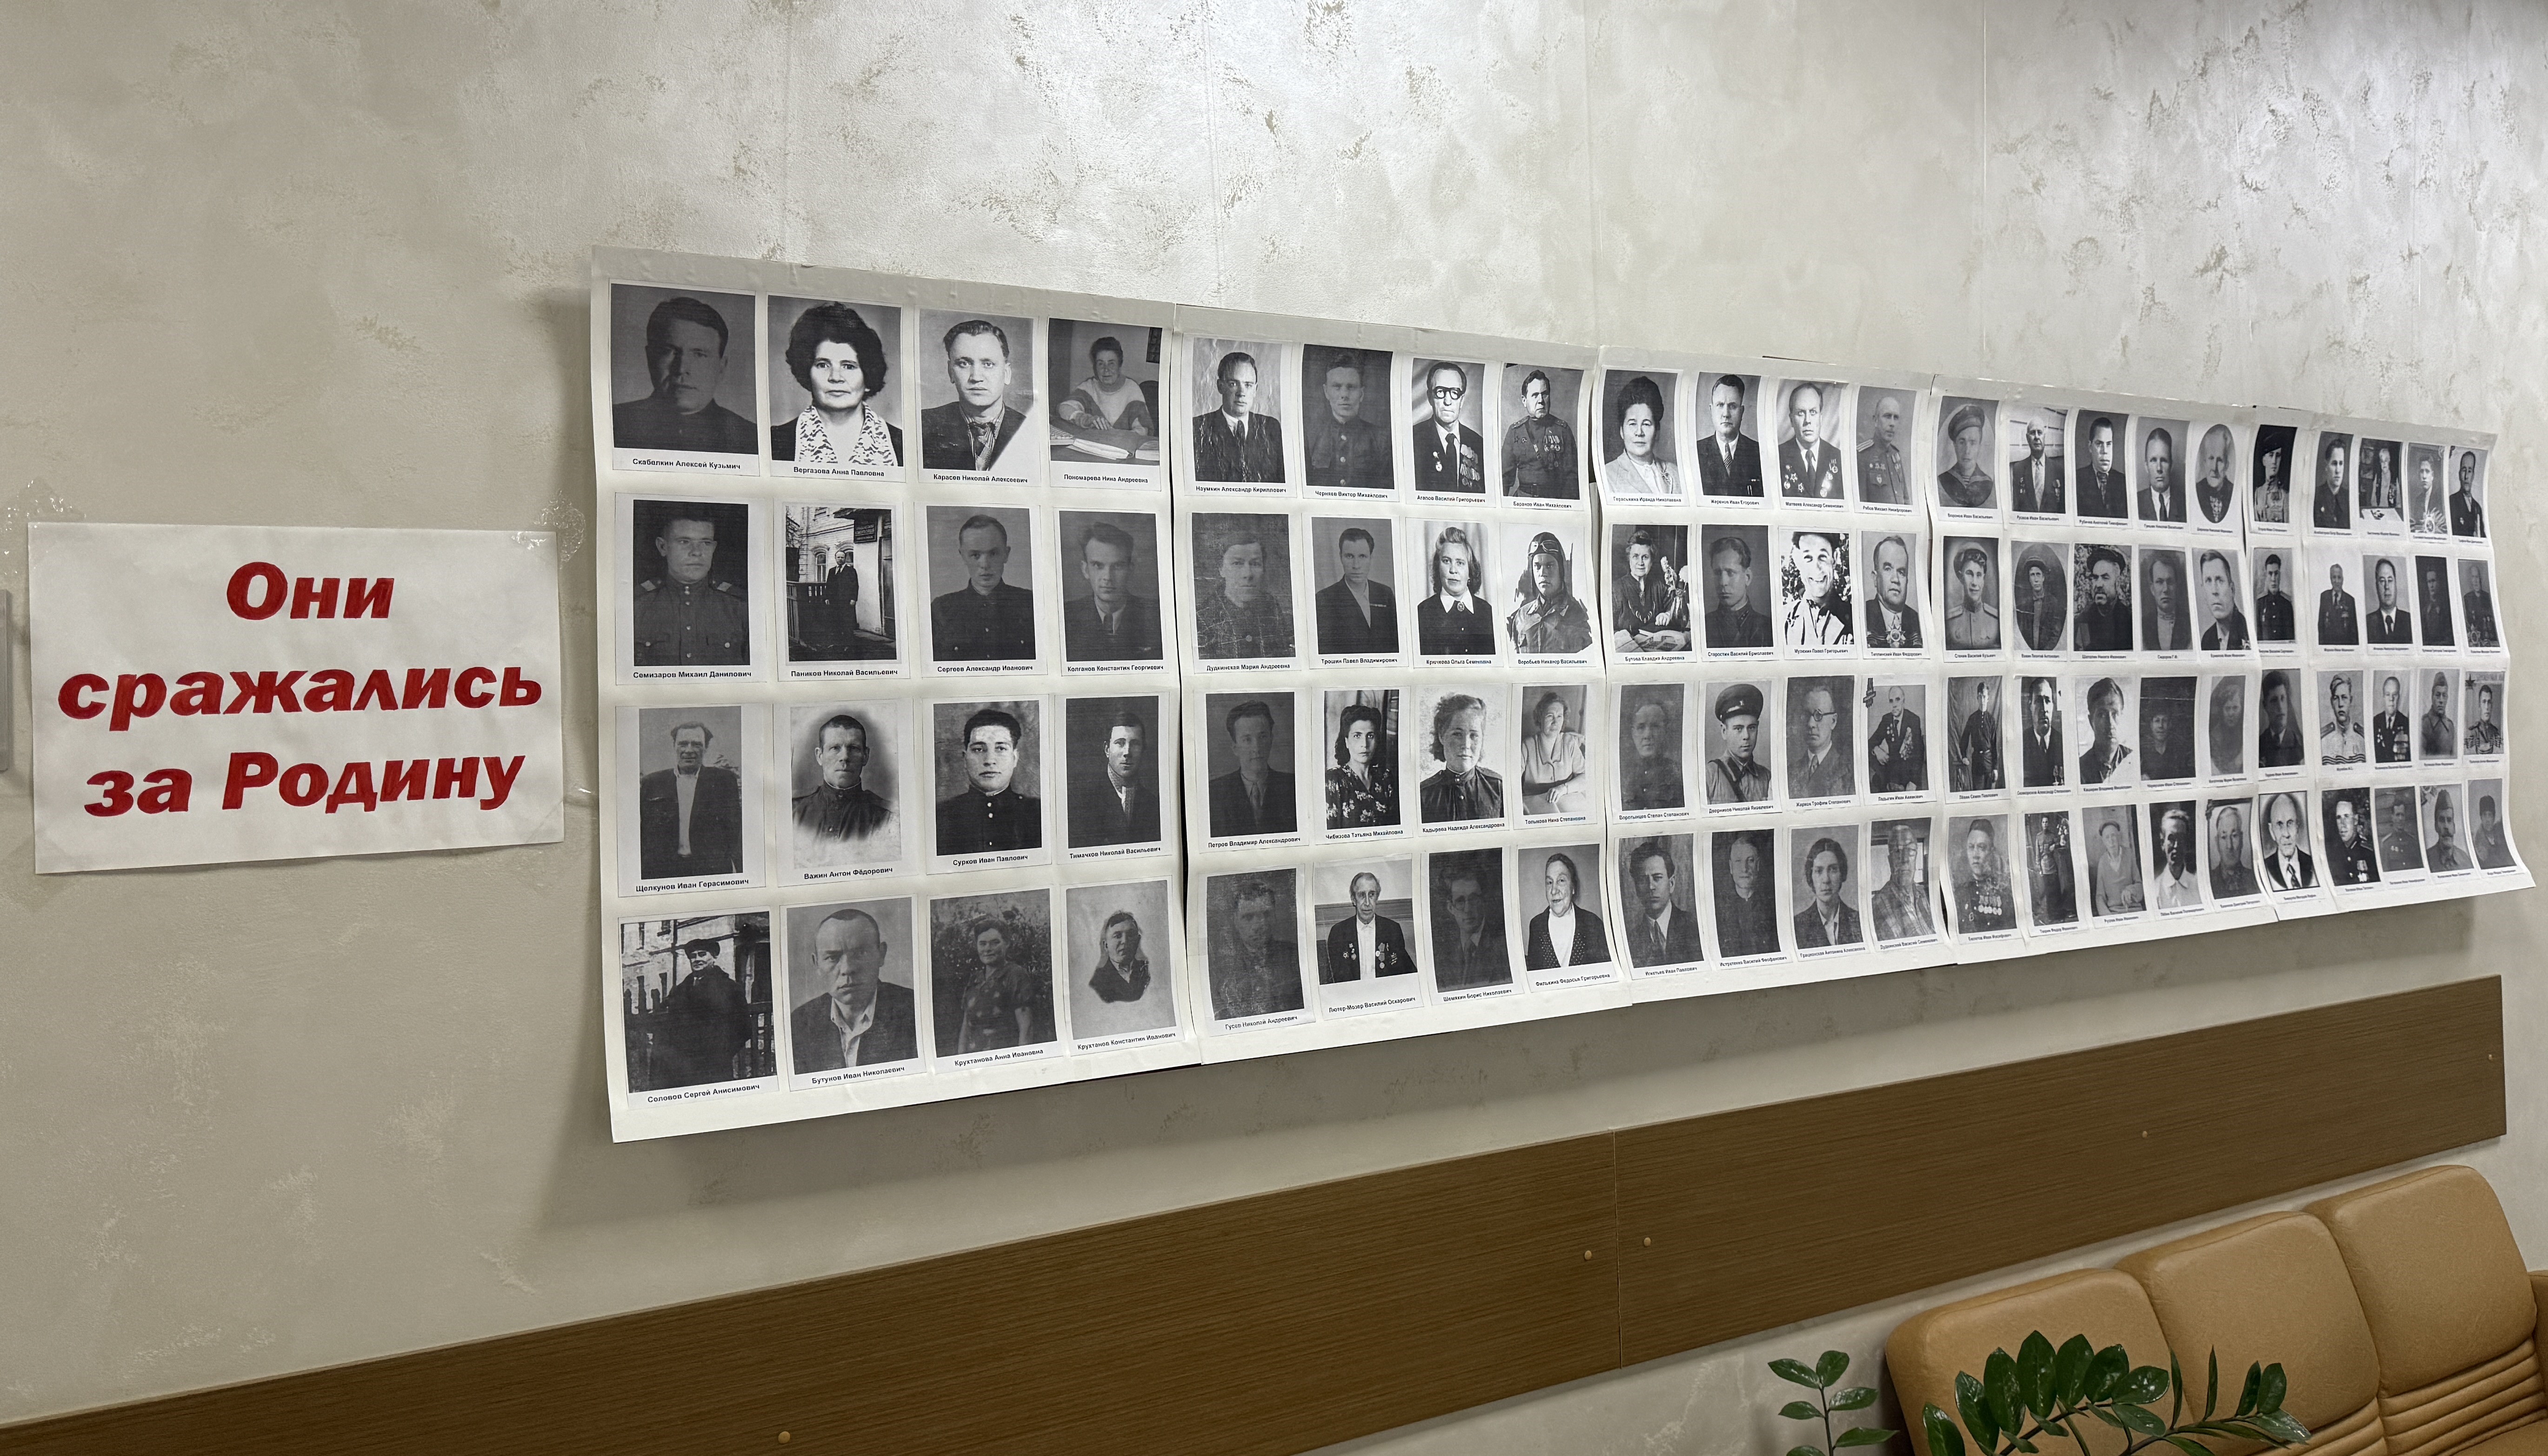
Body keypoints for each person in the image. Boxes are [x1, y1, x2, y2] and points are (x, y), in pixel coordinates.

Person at [614, 295, 757, 453]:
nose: (682, 369)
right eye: (670, 352)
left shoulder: (751, 439)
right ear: (650, 358)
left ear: (721, 367)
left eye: (699, 355)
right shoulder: (614, 422)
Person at [771, 302, 901, 466]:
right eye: (823, 365)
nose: (835, 377)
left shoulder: (902, 444)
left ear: (868, 377)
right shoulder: (774, 441)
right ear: (807, 373)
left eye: (849, 366)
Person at [791, 908, 918, 1072]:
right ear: (817, 964)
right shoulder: (800, 1024)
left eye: (861, 953)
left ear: (881, 955)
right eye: (832, 958)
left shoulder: (915, 1011)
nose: (847, 969)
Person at [633, 511, 749, 666]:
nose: (697, 552)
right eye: (684, 542)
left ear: (714, 548)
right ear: (663, 547)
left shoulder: (740, 607)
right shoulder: (636, 605)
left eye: (706, 543)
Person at [919, 319, 1029, 472]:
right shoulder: (921, 426)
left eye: (988, 364)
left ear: (1006, 373)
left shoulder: (1030, 430)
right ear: (951, 372)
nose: (976, 377)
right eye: (964, 364)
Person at [639, 720, 742, 879]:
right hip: (664, 872)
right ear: (674, 746)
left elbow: (736, 832)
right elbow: (643, 833)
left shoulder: (724, 781)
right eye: (683, 744)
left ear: (706, 748)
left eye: (697, 745)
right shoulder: (652, 783)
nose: (689, 750)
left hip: (711, 873)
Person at [929, 513, 1036, 662]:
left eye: (993, 553)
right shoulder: (941, 609)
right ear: (963, 556)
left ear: (1006, 554)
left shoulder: (1031, 604)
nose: (985, 565)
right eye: (975, 555)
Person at [939, 916, 1054, 1054]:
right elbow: (966, 1027)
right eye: (983, 944)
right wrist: (961, 1059)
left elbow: (1026, 1028)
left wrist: (1022, 1060)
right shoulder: (975, 980)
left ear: (1007, 943)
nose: (988, 949)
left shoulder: (1015, 975)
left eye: (995, 943)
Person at [935, 706, 1041, 854]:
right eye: (979, 749)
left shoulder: (1038, 813)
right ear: (965, 758)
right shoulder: (940, 816)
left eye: (1001, 749)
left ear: (1015, 758)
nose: (990, 760)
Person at [651, 939, 752, 1086]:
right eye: (693, 956)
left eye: (702, 954)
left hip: (714, 1068)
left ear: (714, 957)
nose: (697, 959)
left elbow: (744, 1028)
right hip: (682, 1070)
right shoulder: (680, 990)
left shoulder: (730, 988)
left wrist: (722, 1054)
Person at [793, 713, 892, 860]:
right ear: (820, 756)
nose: (845, 757)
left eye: (853, 748)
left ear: (865, 756)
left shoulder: (887, 818)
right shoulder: (794, 811)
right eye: (835, 748)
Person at [1062, 520, 1163, 662]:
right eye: (1098, 566)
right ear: (1085, 570)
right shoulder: (1065, 617)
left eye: (1118, 566)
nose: (1108, 578)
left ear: (1130, 569)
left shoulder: (1157, 615)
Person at [1194, 522, 1296, 660]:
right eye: (1237, 563)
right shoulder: (1202, 617)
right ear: (1221, 569)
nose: (1248, 574)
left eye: (1255, 564)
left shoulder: (1272, 606)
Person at [1051, 334, 1156, 463]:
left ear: (1120, 365)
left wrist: (1115, 436)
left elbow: (1144, 431)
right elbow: (1064, 408)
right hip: (1093, 455)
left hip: (1123, 458)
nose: (1106, 370)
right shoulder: (1089, 387)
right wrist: (1086, 419)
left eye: (1111, 364)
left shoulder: (1132, 390)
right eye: (1101, 364)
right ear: (1095, 367)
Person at [1067, 705, 1158, 848]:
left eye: (1135, 744)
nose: (1127, 752)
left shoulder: (1153, 804)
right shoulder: (1081, 801)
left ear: (1143, 750)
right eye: (1120, 744)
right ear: (1107, 750)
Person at [1210, 879, 1303, 1018]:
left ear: (1275, 916)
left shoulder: (1296, 957)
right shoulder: (1221, 969)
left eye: (1266, 914)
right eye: (1248, 917)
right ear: (1235, 921)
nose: (1259, 925)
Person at [1071, 909, 1171, 1039]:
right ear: (1106, 945)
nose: (1125, 941)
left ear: (1138, 940)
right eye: (1118, 936)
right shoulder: (1097, 983)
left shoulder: (1149, 973)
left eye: (1130, 935)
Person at [1303, 350, 1391, 493]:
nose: (1344, 395)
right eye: (1337, 387)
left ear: (1361, 394)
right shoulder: (1311, 437)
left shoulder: (1381, 439)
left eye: (1351, 387)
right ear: (1326, 392)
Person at [1192, 350, 1285, 482]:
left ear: (1255, 390)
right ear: (1220, 386)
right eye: (1233, 384)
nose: (1241, 393)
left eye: (1248, 385)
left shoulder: (1271, 427)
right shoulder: (1197, 427)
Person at [1209, 699, 1296, 838]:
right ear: (1235, 747)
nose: (1257, 748)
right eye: (1247, 740)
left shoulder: (1292, 786)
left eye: (1262, 737)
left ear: (1271, 740)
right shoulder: (1214, 793)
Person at [1421, 693, 1505, 823]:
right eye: (1457, 734)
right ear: (1442, 736)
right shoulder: (1423, 795)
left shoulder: (1498, 788)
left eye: (1474, 735)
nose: (1466, 745)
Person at [1314, 527, 1399, 655]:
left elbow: (1396, 644)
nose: (1356, 565)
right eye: (1349, 556)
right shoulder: (1324, 600)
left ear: (1371, 558)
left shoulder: (1385, 594)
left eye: (1362, 556)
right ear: (1341, 557)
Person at [1506, 531, 1594, 654]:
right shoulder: (1521, 616)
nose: (1543, 573)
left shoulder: (1580, 616)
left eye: (1549, 566)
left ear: (1560, 570)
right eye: (1537, 566)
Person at [1431, 859, 1511, 990]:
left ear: (1483, 901)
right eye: (1460, 901)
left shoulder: (1504, 947)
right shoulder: (1441, 952)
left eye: (1474, 899)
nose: (1468, 909)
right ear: (1451, 908)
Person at [1415, 525, 1495, 656]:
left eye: (1460, 563)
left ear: (1470, 570)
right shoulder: (1422, 613)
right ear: (1438, 567)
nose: (1453, 570)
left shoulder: (1488, 612)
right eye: (1447, 561)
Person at [1323, 871, 1413, 984]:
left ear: (1377, 898)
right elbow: (1332, 979)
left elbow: (1407, 973)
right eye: (1362, 895)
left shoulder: (1392, 929)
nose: (1367, 903)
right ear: (1354, 900)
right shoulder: (1338, 933)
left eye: (1372, 895)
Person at [1502, 368, 1580, 499]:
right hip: (1524, 501)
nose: (1541, 401)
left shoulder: (1563, 431)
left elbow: (1572, 479)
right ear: (1524, 401)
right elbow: (1504, 479)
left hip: (1555, 501)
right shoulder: (1515, 432)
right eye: (1535, 395)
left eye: (1545, 394)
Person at [1625, 840, 1704, 966]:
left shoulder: (1696, 927)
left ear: (1671, 884)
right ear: (1636, 888)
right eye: (1643, 880)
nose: (1651, 887)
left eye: (1657, 878)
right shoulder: (1631, 940)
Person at [1525, 854, 1610, 970]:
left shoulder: (1593, 923)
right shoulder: (1536, 926)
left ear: (1573, 887)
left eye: (1561, 881)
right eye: (1549, 882)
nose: (1554, 891)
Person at [1412, 360, 1486, 494]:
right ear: (1430, 398)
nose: (1448, 401)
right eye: (1440, 392)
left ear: (1462, 400)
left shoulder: (1479, 444)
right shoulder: (1413, 439)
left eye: (1455, 393)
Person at [1614, 528, 1693, 652]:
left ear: (1651, 561)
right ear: (1629, 559)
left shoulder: (1660, 586)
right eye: (1636, 557)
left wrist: (1667, 615)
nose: (1640, 563)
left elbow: (1673, 610)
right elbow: (1608, 631)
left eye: (1645, 557)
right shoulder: (1616, 589)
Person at [1324, 701, 1398, 829]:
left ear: (1377, 740)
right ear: (1347, 742)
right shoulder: (1334, 780)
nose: (1365, 744)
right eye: (1357, 736)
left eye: (1370, 736)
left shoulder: (1386, 778)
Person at [1605, 374, 1679, 498]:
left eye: (1646, 424)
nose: (1639, 432)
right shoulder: (1608, 475)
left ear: (1657, 431)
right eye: (1633, 424)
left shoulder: (1676, 474)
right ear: (1622, 431)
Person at [1521, 691, 1594, 816]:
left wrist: (1564, 788)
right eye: (1550, 716)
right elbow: (1512, 782)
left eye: (1560, 716)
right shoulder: (1527, 745)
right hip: (1535, 808)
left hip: (1567, 803)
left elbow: (1586, 776)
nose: (1556, 722)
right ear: (1540, 718)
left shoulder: (1569, 742)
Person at [1781, 529, 1852, 647]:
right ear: (1798, 561)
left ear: (1835, 558)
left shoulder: (1854, 617)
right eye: (1808, 558)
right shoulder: (1783, 618)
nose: (1816, 568)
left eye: (1823, 557)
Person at [1714, 832, 1781, 957]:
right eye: (1738, 861)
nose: (1744, 869)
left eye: (1750, 861)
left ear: (1758, 865)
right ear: (1731, 867)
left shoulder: (1773, 907)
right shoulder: (1718, 909)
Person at [1694, 374, 1761, 497]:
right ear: (1712, 410)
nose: (1726, 414)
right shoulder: (1695, 452)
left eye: (1732, 406)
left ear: (1742, 412)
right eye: (1720, 405)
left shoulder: (1759, 453)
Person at [1706, 684, 1774, 804]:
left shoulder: (1767, 777)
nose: (1746, 736)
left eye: (1752, 728)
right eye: (1738, 729)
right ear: (1724, 731)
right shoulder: (1709, 776)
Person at [1700, 534, 1769, 649]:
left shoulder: (1769, 628)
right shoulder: (1702, 624)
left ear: (1747, 577)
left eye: (1730, 573)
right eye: (1718, 573)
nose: (1723, 582)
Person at [1792, 837, 1863, 948]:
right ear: (1811, 876)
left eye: (1833, 870)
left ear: (1842, 874)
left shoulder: (1859, 921)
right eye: (1819, 871)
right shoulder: (1797, 926)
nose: (1826, 880)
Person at [1618, 692, 1684, 811]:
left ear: (1665, 732)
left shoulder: (1678, 775)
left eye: (1655, 727)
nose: (1648, 735)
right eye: (1641, 727)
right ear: (1633, 734)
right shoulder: (1621, 774)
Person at [1868, 827, 1935, 941]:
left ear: (1916, 857)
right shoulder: (1875, 907)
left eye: (1910, 850)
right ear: (1890, 861)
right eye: (1897, 851)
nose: (1905, 859)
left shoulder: (1926, 894)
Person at [1789, 681, 1852, 799]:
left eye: (1819, 715)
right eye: (1806, 715)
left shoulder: (1850, 772)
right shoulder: (1790, 772)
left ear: (1833, 721)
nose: (1811, 724)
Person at [1778, 382, 1843, 498]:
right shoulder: (1778, 457)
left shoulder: (1839, 458)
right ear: (1792, 420)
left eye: (1813, 412)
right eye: (1801, 413)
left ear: (1821, 418)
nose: (1808, 420)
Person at [1952, 820, 2017, 931]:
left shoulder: (2004, 894)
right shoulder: (1959, 894)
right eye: (1971, 847)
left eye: (1982, 848)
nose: (1975, 855)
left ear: (1991, 852)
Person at [1863, 535, 1923, 648]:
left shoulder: (1919, 622)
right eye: (1888, 569)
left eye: (1901, 572)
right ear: (1875, 578)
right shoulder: (1862, 615)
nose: (1896, 579)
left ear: (1907, 580)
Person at [1868, 685, 1927, 794]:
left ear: (1903, 701)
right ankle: (1884, 783)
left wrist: (1914, 782)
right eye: (1891, 701)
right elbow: (1871, 742)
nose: (1894, 705)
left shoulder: (1914, 720)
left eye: (1898, 700)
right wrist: (1876, 750)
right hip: (1892, 774)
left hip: (1908, 775)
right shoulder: (1886, 719)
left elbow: (1919, 753)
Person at [1857, 391, 1912, 505]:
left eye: (1896, 418)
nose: (1892, 423)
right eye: (1887, 417)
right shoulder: (1862, 456)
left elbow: (1906, 499)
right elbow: (1861, 504)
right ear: (1876, 421)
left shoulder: (1896, 455)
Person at [2075, 546, 2133, 652]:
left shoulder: (2130, 620)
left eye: (2105, 578)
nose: (2099, 584)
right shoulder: (2083, 621)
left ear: (2117, 583)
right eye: (2095, 578)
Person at [1936, 404, 1993, 508]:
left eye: (1973, 443)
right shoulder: (1943, 480)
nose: (1967, 451)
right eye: (1962, 442)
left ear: (1979, 446)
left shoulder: (1988, 484)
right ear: (1955, 445)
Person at [1945, 544, 2002, 650]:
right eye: (1970, 574)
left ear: (1984, 579)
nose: (1974, 583)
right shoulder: (1949, 621)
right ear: (1961, 577)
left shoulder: (1997, 620)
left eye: (1979, 575)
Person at [2079, 677, 2133, 785]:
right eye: (2102, 715)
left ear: (2122, 717)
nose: (2110, 724)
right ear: (2091, 721)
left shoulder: (2134, 761)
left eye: (2115, 714)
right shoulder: (2080, 769)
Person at [2088, 817, 2144, 915]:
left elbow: (2140, 886)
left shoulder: (2129, 855)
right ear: (2104, 841)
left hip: (2134, 909)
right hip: (2114, 912)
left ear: (2119, 837)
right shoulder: (2103, 862)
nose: (2111, 840)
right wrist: (2108, 917)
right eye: (2107, 837)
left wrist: (2130, 890)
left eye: (2113, 835)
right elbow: (2100, 897)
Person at [2026, 816, 2077, 924]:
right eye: (2043, 822)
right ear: (2041, 824)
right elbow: (2038, 854)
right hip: (2044, 866)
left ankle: (2058, 914)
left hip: (2053, 865)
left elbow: (2060, 844)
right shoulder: (2038, 837)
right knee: (2049, 893)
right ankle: (2051, 915)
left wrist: (2056, 845)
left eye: (2047, 822)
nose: (2045, 824)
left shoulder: (2052, 835)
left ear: (2049, 824)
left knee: (2056, 891)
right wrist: (2039, 867)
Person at [1955, 679, 2004, 791]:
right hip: (1977, 763)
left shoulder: (1991, 720)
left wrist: (1995, 768)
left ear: (1988, 699)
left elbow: (1995, 745)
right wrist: (1964, 756)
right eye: (1980, 697)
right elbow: (1964, 739)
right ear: (1977, 698)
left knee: (1990, 795)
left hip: (1989, 764)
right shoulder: (1972, 719)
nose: (1982, 700)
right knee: (1978, 793)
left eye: (1984, 697)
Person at [2261, 792, 2316, 891]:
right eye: (2280, 824)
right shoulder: (2264, 867)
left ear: (2297, 827)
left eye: (2290, 823)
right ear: (2271, 831)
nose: (2286, 834)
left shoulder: (2313, 863)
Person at [2151, 806, 2203, 908]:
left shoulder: (2199, 886)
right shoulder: (2155, 890)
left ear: (2187, 843)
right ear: (2163, 843)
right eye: (2171, 839)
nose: (2176, 846)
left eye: (2181, 839)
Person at [2076, 416, 2127, 519]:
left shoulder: (2124, 482)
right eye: (2099, 444)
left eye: (2109, 444)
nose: (2105, 451)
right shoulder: (2077, 479)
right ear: (2090, 447)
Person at [2197, 551, 2249, 650]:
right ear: (2204, 590)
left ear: (2232, 589)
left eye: (2220, 581)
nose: (2214, 591)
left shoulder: (2248, 631)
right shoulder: (2207, 640)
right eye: (2208, 581)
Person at [2020, 677, 2065, 788]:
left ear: (2053, 706)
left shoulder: (2064, 743)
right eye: (2039, 701)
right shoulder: (2020, 743)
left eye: (2048, 701)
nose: (2044, 709)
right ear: (2030, 706)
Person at [2209, 804, 2261, 898]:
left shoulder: (2255, 878)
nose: (2230, 846)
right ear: (2217, 843)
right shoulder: (2209, 879)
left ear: (2242, 839)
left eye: (2234, 836)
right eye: (2224, 837)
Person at [2141, 551, 2190, 651]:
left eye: (2170, 582)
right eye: (2160, 582)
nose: (2166, 589)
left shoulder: (2189, 622)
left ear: (2176, 586)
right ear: (2152, 589)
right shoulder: (2143, 625)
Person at [2011, 418, 2061, 514]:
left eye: (2040, 433)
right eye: (2033, 433)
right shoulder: (2018, 469)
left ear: (2045, 437)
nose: (2037, 437)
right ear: (2027, 438)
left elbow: (2062, 508)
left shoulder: (2058, 469)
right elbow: (2017, 508)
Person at [2326, 796, 2378, 885]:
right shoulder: (2332, 854)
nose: (2342, 824)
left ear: (2356, 820)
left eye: (2347, 816)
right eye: (2339, 818)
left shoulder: (2369, 852)